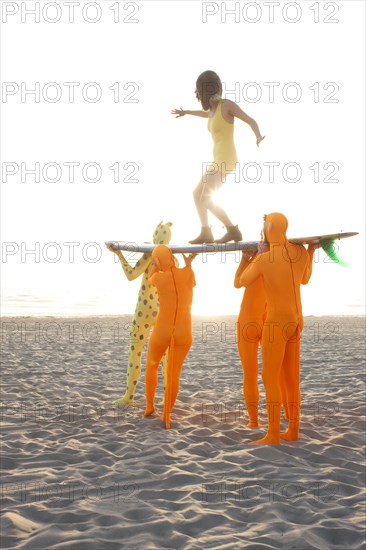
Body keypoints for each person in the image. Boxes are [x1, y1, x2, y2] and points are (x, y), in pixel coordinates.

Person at [239, 213, 317, 444]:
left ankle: (272, 433)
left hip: (276, 323)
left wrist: (251, 257)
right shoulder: (300, 252)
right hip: (296, 321)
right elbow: (305, 279)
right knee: (292, 378)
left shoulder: (265, 260)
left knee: (269, 377)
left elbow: (242, 281)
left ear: (269, 227)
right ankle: (293, 430)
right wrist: (311, 252)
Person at [172, 70, 265, 244]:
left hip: (227, 159)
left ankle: (233, 230)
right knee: (196, 193)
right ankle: (206, 232)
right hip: (217, 160)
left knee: (205, 198)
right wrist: (187, 112)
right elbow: (204, 115)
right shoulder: (213, 111)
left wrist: (258, 136)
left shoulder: (226, 105)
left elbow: (250, 120)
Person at [106, 222, 173, 405]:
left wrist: (120, 255)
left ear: (154, 236)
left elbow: (131, 275)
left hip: (144, 310)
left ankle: (129, 396)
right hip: (163, 310)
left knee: (135, 351)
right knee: (166, 356)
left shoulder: (149, 253)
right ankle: (167, 396)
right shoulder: (172, 258)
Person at [144, 245, 196, 429]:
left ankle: (150, 406)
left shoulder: (158, 278)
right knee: (174, 373)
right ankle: (167, 413)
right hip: (184, 331)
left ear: (158, 260)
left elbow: (151, 277)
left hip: (162, 330)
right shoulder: (188, 274)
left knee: (152, 365)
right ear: (173, 259)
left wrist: (156, 264)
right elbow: (188, 279)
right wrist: (188, 264)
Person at [234, 241, 268, 427]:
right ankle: (286, 414)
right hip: (271, 320)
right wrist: (245, 259)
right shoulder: (279, 260)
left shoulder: (257, 261)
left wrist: (247, 260)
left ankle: (254, 421)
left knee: (250, 373)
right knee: (272, 374)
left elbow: (239, 282)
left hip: (248, 321)